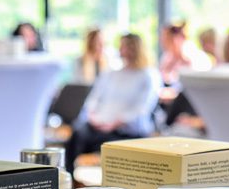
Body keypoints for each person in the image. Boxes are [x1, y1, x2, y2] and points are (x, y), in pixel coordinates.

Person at [65, 33, 160, 174]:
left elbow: (142, 109)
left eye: (126, 46)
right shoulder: (111, 74)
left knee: (108, 146)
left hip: (127, 130)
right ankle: (70, 177)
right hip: (99, 124)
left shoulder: (148, 76)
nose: (121, 50)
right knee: (77, 134)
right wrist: (92, 117)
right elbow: (93, 99)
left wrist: (114, 124)